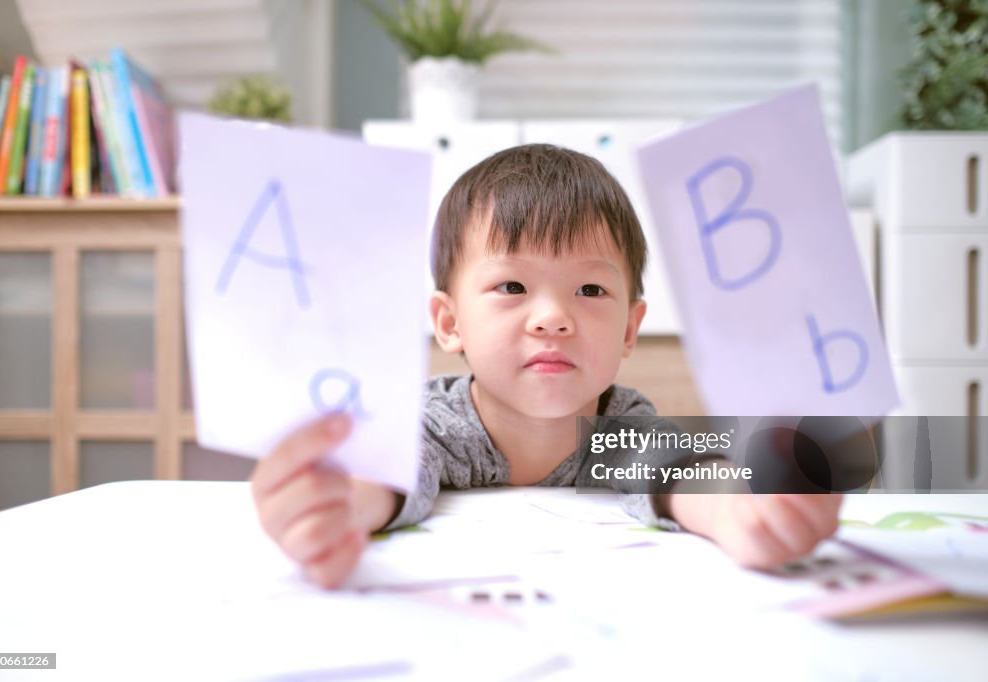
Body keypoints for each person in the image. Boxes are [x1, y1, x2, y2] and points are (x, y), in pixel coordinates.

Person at [251, 144, 843, 588]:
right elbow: (389, 473)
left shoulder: (623, 425)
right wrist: (333, 507)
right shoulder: (432, 422)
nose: (554, 318)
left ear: (630, 329)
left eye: (590, 290)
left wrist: (741, 512)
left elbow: (679, 471)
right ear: (450, 322)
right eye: (512, 285)